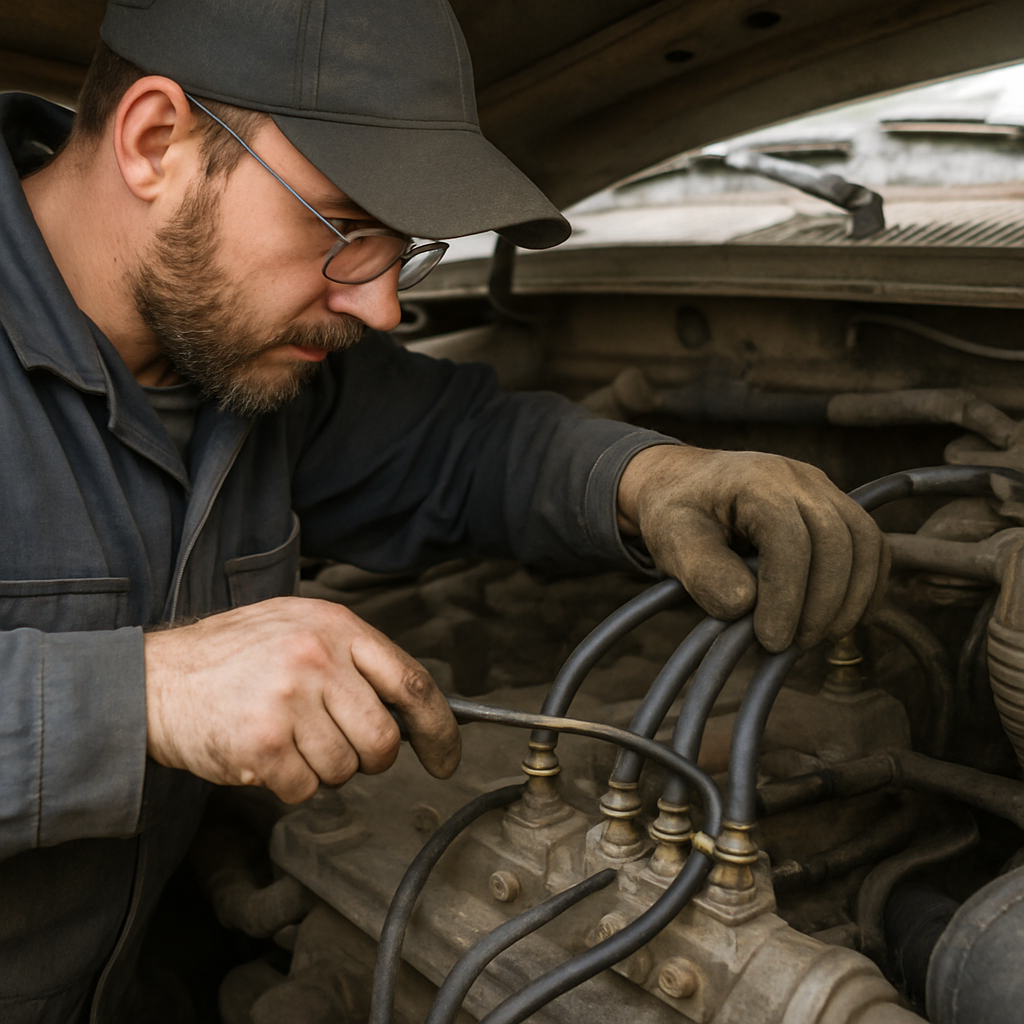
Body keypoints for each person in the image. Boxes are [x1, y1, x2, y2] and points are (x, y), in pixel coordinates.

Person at [0, 0, 888, 1020]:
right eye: (345, 228)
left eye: (404, 250)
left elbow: (458, 448)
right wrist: (143, 696)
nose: (380, 308)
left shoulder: (246, 362)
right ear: (155, 141)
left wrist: (647, 479)